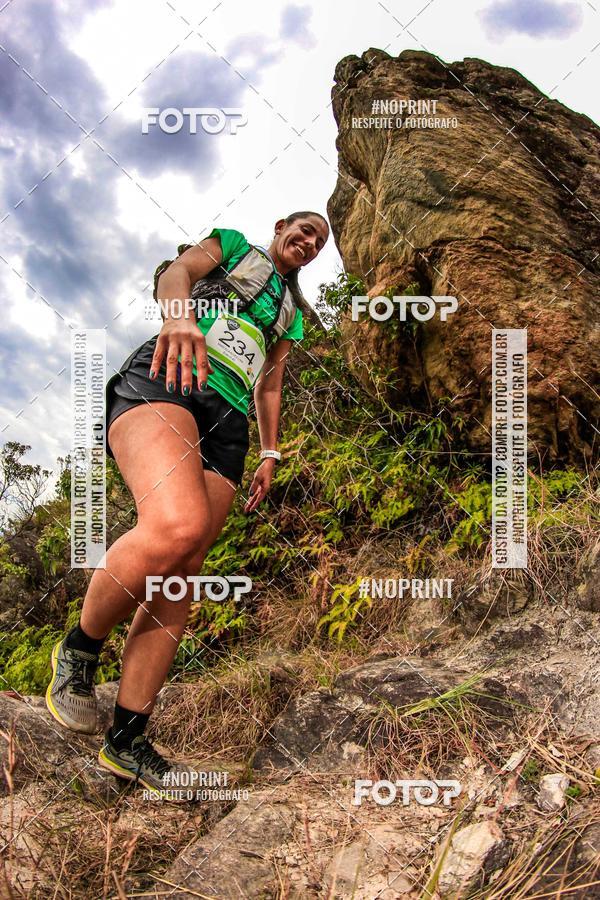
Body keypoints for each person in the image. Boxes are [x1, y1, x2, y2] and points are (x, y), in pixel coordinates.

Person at [45, 211, 329, 791]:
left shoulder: (290, 314)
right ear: (280, 227)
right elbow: (176, 272)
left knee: (186, 566)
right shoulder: (232, 249)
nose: (308, 242)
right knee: (176, 526)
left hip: (229, 423)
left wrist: (270, 452)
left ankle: (127, 739)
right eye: (303, 230)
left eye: (319, 242)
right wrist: (179, 318)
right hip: (168, 378)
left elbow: (270, 382)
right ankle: (78, 651)